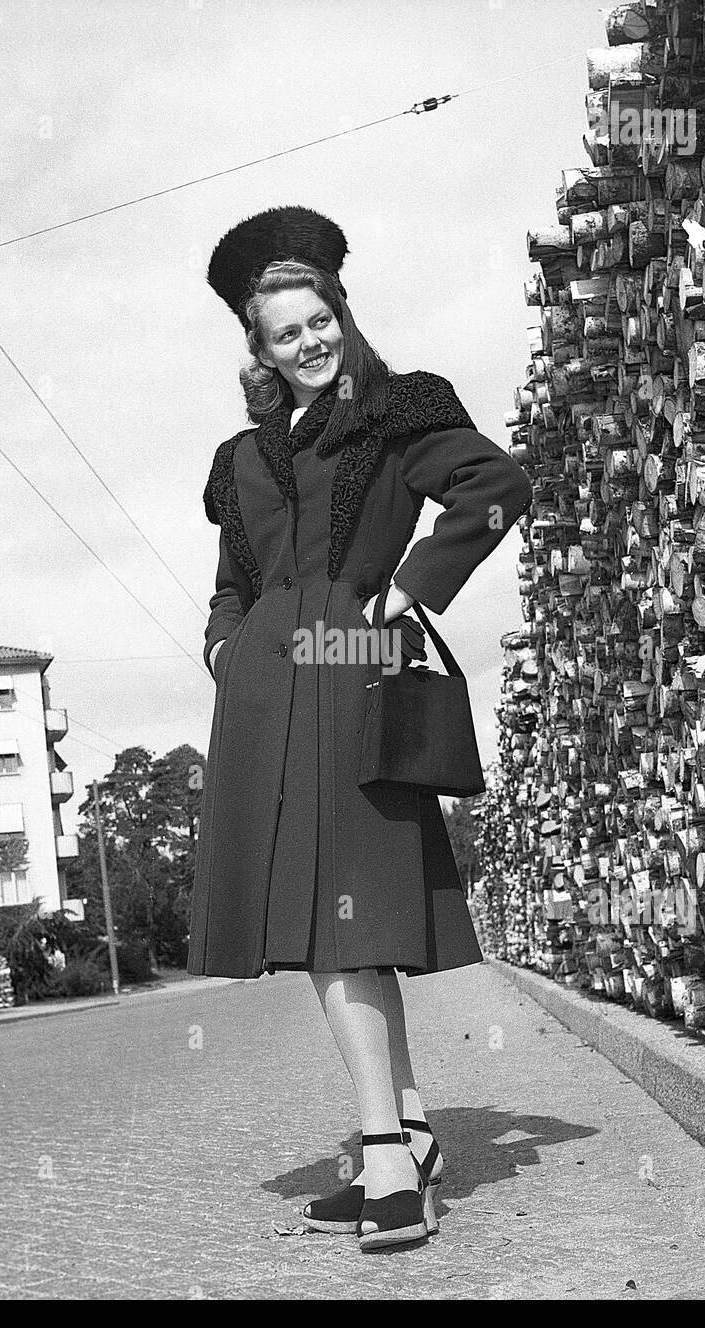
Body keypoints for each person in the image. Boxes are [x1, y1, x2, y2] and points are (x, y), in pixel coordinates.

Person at [190, 205, 532, 1251]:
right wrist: (222, 646)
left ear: (340, 309)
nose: (308, 340)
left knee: (349, 923)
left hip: (348, 674)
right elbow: (232, 582)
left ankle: (385, 1152)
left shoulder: (395, 412)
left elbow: (493, 483)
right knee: (319, 933)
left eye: (318, 317)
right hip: (261, 698)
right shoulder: (240, 458)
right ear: (258, 350)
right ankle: (410, 1130)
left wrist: (411, 590)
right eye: (284, 331)